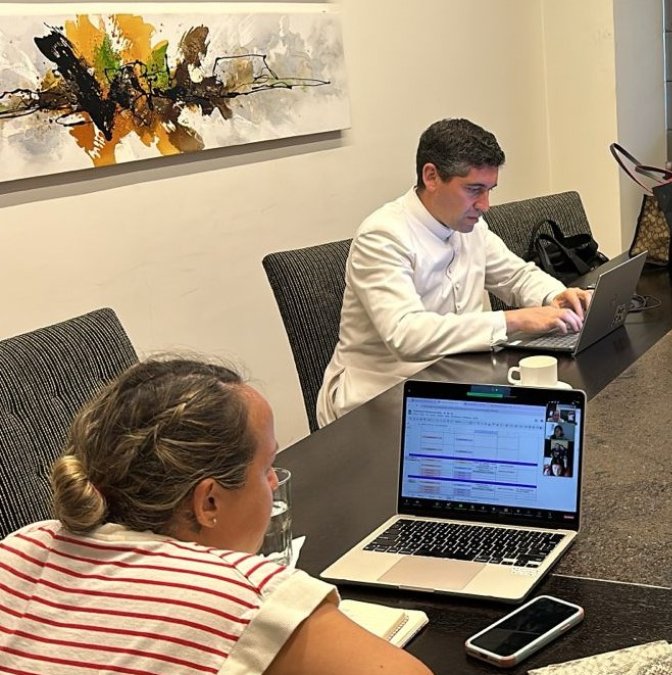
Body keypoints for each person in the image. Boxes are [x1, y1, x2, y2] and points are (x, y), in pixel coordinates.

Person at [0, 358, 432, 675]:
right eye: (266, 469)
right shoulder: (241, 591)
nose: (274, 485)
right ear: (208, 503)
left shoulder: (23, 543)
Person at [317, 118, 592, 425]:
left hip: (457, 378)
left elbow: (515, 275)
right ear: (431, 176)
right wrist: (515, 319)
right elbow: (407, 335)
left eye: (489, 190)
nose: (485, 204)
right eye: (474, 189)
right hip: (381, 397)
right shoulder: (382, 236)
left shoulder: (468, 225)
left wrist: (555, 295)